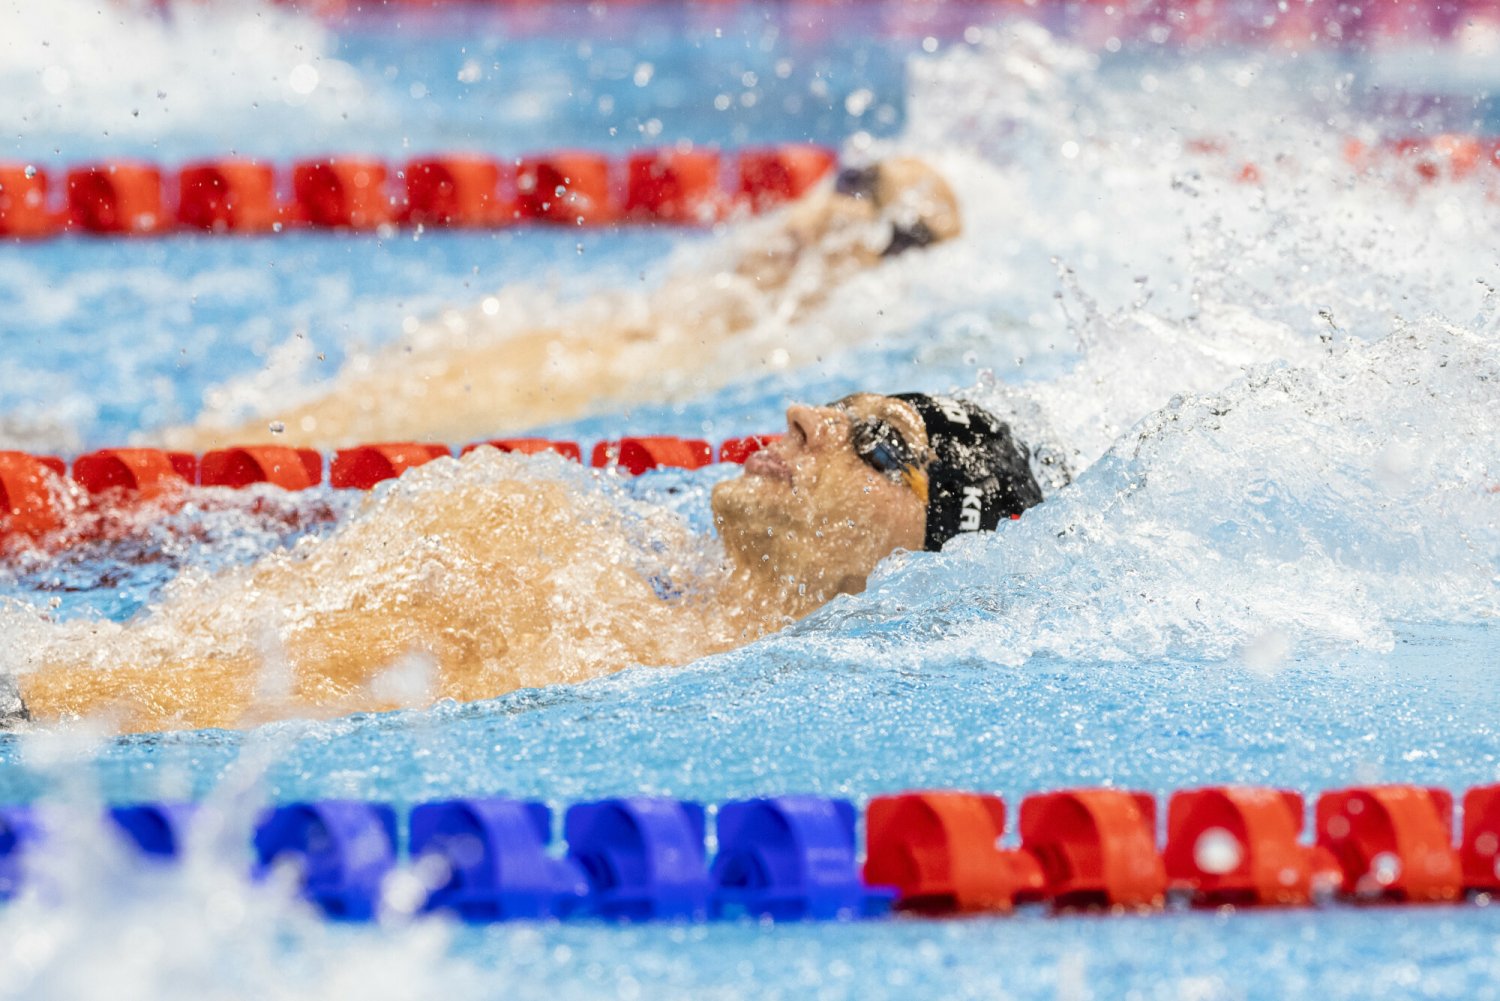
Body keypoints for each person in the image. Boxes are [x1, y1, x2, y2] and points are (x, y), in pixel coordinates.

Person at [8, 392, 1040, 734]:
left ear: (924, 557)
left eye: (882, 444)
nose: (808, 417)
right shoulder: (544, 521)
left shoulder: (616, 665)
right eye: (842, 403)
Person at [164, 158, 964, 452]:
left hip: (556, 383)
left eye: (866, 199)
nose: (832, 202)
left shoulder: (778, 329)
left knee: (269, 441)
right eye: (851, 179)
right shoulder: (738, 290)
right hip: (564, 354)